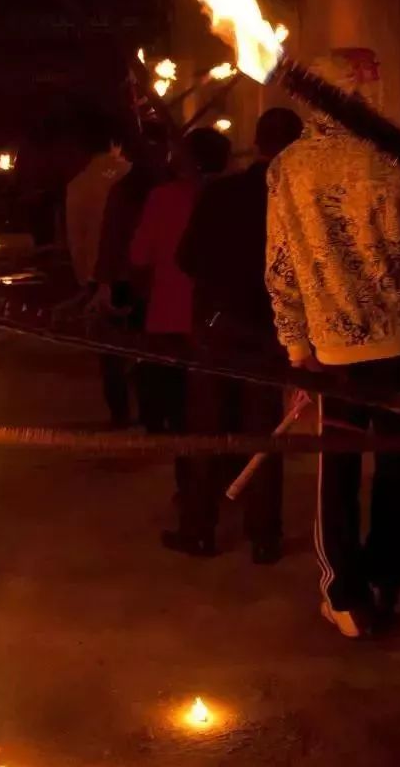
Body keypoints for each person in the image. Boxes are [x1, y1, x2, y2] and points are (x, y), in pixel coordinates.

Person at [266, 49, 400, 638]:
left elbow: (281, 267)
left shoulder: (288, 168)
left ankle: (344, 595)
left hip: (332, 355)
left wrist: (295, 346)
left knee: (337, 470)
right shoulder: (397, 160)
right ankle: (386, 578)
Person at [176, 106, 305, 562]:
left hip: (219, 324)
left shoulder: (222, 193)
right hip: (274, 329)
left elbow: (188, 257)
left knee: (208, 427)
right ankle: (264, 536)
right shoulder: (299, 202)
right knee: (263, 432)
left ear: (258, 142)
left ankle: (199, 528)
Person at [129, 125, 231, 488]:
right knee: (220, 407)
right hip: (220, 319)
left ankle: (190, 489)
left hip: (170, 317)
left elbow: (139, 254)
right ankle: (223, 480)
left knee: (181, 412)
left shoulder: (163, 198)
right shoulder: (229, 197)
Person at [91, 120, 170, 427]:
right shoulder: (136, 190)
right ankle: (147, 412)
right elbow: (111, 237)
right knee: (144, 351)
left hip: (138, 280)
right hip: (142, 281)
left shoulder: (129, 190)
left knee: (131, 351)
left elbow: (110, 238)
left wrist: (104, 280)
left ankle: (131, 411)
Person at [64, 113, 130, 425]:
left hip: (96, 274)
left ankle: (119, 411)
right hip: (133, 273)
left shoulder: (78, 185)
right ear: (117, 143)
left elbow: (76, 237)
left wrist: (85, 279)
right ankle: (157, 411)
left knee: (111, 351)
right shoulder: (130, 174)